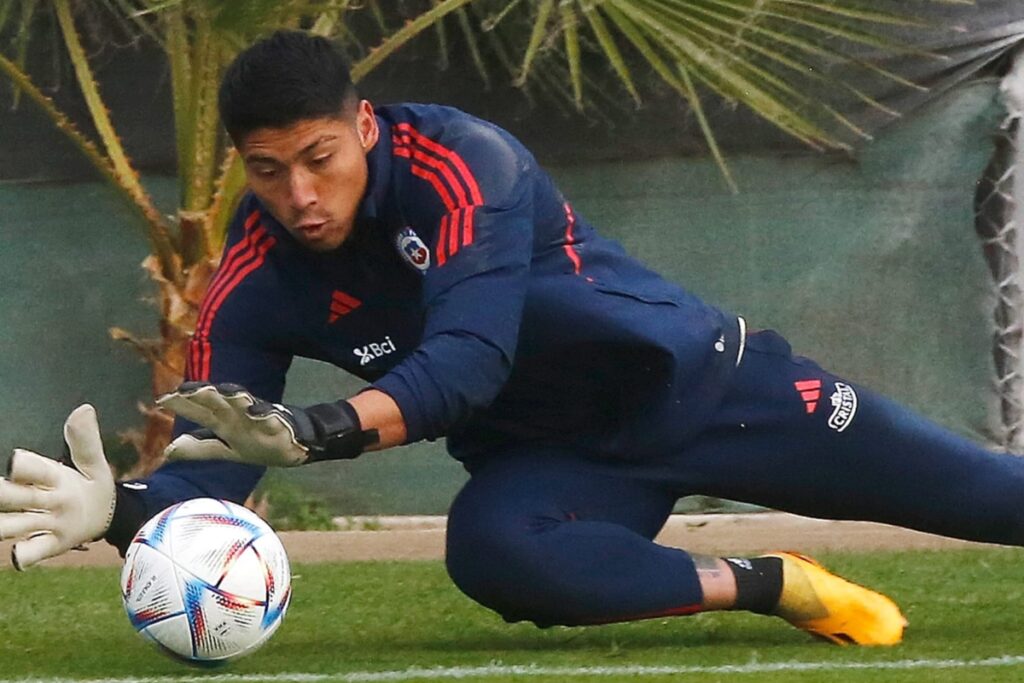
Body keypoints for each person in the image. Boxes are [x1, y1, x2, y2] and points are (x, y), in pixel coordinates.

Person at [5, 30, 1024, 646]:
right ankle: (778, 581)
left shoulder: (463, 161)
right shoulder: (252, 277)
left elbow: (468, 359)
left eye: (318, 158)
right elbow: (215, 485)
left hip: (711, 393)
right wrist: (117, 507)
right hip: (553, 462)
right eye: (269, 172)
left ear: (362, 126)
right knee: (492, 549)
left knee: (993, 498)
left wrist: (315, 428)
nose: (300, 196)